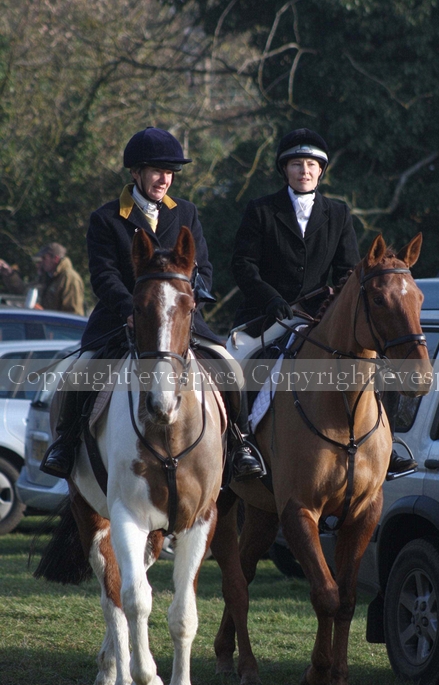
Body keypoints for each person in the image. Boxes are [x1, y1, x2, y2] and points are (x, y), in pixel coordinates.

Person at [40, 126, 262, 481]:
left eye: (170, 172)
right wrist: (129, 309)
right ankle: (65, 443)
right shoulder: (106, 218)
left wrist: (190, 302)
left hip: (179, 322)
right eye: (157, 171)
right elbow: (104, 276)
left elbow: (202, 268)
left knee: (231, 369)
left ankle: (241, 443)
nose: (165, 179)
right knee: (80, 370)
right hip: (122, 319)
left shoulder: (186, 212)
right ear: (135, 172)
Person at [231, 127, 416, 477]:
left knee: (374, 362)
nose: (304, 170)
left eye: (311, 165)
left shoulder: (338, 212)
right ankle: (240, 446)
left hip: (318, 315)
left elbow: (348, 270)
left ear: (320, 171)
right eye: (297, 164)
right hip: (267, 316)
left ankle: (386, 443)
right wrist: (270, 298)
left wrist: (333, 302)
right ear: (284, 169)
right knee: (236, 365)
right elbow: (243, 265)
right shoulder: (261, 210)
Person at [0, 244, 85, 316]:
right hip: (49, 326)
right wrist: (9, 273)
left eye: (44, 258)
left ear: (55, 259)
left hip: (61, 328)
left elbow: (73, 313)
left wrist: (45, 313)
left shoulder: (69, 278)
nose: (41, 262)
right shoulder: (48, 277)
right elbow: (24, 290)